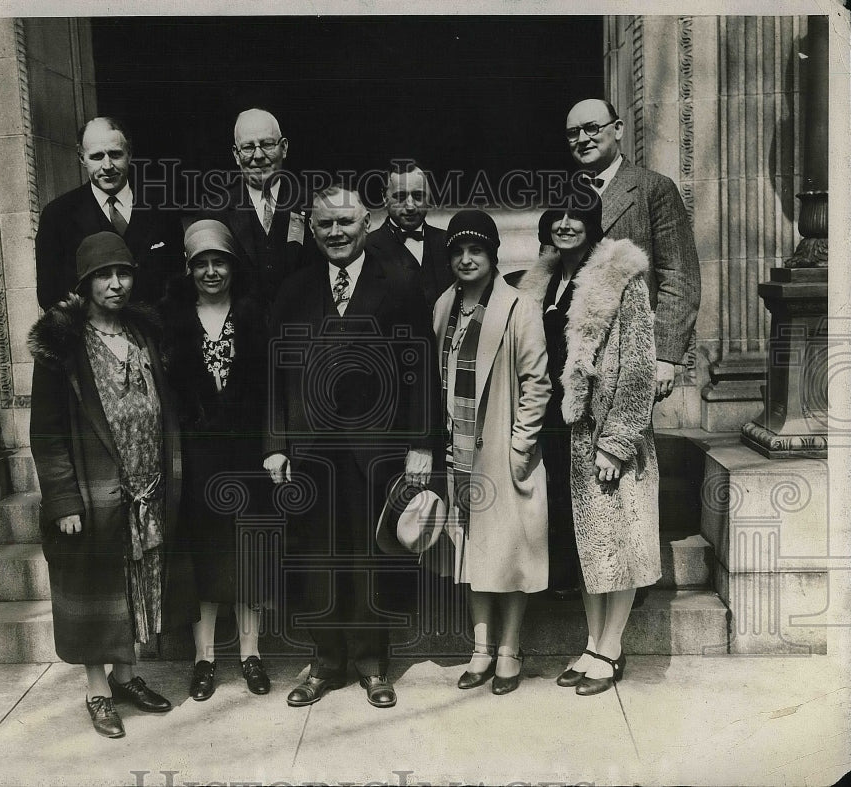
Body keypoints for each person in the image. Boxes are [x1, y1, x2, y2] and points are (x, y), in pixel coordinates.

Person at [264, 185, 440, 709]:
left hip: (376, 450)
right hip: (312, 451)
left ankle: (371, 663)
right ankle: (325, 662)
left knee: (369, 556)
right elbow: (276, 372)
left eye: (345, 223)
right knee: (316, 556)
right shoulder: (294, 290)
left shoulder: (402, 284)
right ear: (312, 230)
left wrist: (422, 443)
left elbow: (421, 371)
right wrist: (276, 444)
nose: (335, 233)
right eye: (325, 225)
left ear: (367, 224)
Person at [28, 231, 198, 737]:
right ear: (85, 284)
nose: (116, 284)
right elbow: (47, 432)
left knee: (138, 587)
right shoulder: (63, 346)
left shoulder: (146, 334)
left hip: (148, 488)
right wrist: (63, 500)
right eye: (104, 275)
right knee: (97, 590)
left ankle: (128, 678)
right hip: (95, 494)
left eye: (123, 273)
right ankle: (97, 690)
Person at [518, 189, 661, 696]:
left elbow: (641, 367)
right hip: (564, 434)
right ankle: (592, 641)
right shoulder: (546, 282)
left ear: (593, 221)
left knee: (617, 543)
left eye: (575, 216)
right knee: (588, 546)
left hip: (605, 433)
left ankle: (611, 647)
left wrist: (617, 442)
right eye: (556, 215)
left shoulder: (623, 278)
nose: (565, 224)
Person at [432, 210, 551, 696]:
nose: (466, 259)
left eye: (475, 250)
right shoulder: (444, 304)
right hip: (458, 451)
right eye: (458, 251)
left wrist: (521, 445)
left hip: (502, 448)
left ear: (493, 255)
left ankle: (510, 648)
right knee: (472, 551)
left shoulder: (518, 306)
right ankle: (480, 647)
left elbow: (536, 382)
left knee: (512, 551)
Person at [160, 219, 272, 700]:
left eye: (218, 261)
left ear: (232, 264)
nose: (211, 271)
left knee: (250, 557)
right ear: (188, 268)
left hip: (248, 455)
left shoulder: (255, 315)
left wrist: (272, 447)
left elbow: (272, 391)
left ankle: (252, 654)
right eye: (201, 263)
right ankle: (204, 659)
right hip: (198, 456)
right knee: (203, 559)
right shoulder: (170, 320)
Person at [564, 98, 700, 401]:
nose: (582, 139)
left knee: (624, 444)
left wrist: (665, 357)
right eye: (573, 133)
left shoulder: (653, 189)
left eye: (591, 128)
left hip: (629, 348)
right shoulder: (566, 195)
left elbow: (679, 276)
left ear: (618, 129)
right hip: (574, 349)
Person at [35, 116, 183, 309]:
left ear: (129, 154)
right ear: (82, 158)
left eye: (115, 154)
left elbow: (178, 281)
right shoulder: (58, 215)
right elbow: (50, 295)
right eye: (97, 156)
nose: (107, 166)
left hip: (156, 334)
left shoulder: (162, 208)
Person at [207, 108, 313, 305]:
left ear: (284, 147)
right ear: (236, 155)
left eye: (266, 144)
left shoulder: (312, 204)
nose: (258, 155)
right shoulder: (215, 214)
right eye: (248, 147)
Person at [365, 160, 453, 311]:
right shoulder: (366, 248)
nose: (410, 206)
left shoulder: (449, 242)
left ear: (429, 197)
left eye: (418, 196)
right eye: (400, 197)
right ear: (385, 198)